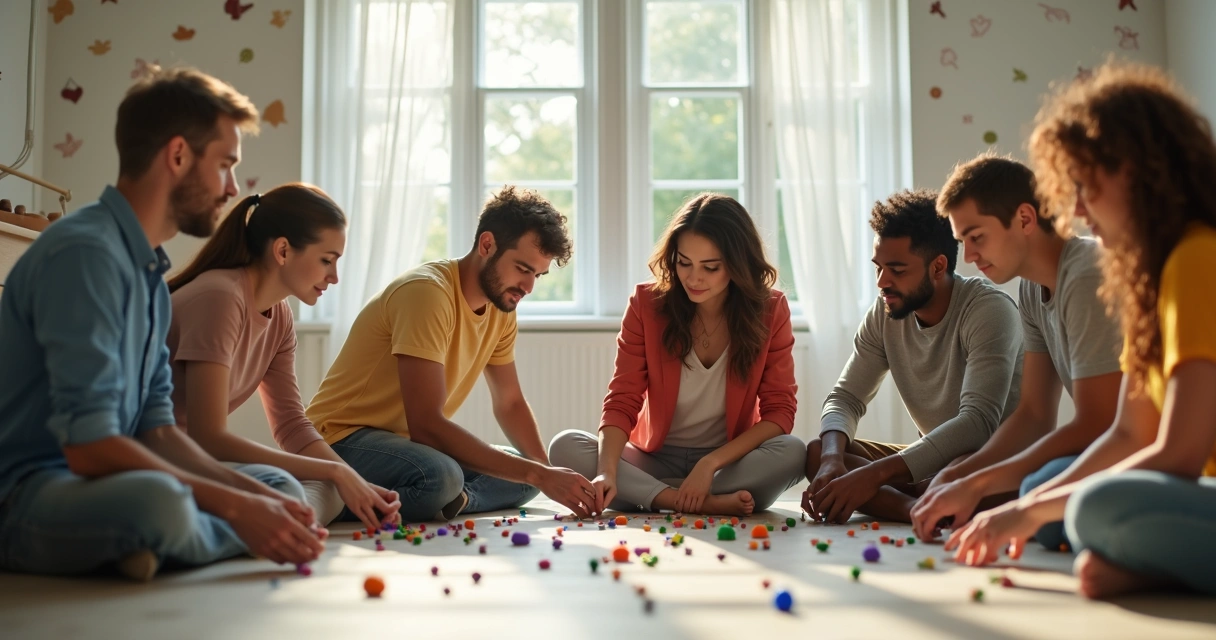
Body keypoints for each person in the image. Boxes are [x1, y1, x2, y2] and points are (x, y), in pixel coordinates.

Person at [0, 67, 323, 581]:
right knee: (162, 504)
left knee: (277, 486)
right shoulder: (85, 254)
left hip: (113, 478)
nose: (234, 187)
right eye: (225, 164)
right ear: (177, 156)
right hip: (31, 491)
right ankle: (163, 535)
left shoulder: (149, 273)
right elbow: (88, 447)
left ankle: (148, 547)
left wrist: (259, 499)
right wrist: (237, 508)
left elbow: (159, 432)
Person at [948, 62, 1216, 598]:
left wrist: (1025, 511)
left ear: (1139, 171)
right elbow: (1128, 433)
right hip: (1192, 492)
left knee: (1092, 505)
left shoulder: (1196, 257)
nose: (1076, 210)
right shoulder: (1149, 284)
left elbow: (1180, 452)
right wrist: (1028, 506)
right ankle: (1157, 566)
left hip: (1198, 484)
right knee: (1058, 497)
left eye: (1087, 186)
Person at [307, 186, 596, 522]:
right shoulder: (427, 294)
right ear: (487, 245)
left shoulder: (502, 309)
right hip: (341, 439)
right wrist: (540, 475)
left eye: (538, 275)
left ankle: (454, 500)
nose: (529, 287)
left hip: (409, 450)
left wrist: (544, 472)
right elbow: (426, 425)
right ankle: (336, 494)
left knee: (524, 472)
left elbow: (510, 402)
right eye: (522, 268)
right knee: (441, 475)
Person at [910, 154, 1123, 546]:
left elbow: (1100, 422)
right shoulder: (1028, 287)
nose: (969, 258)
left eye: (977, 238)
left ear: (1025, 219)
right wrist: (961, 475)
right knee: (1021, 487)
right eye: (963, 242)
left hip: (1139, 450)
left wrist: (978, 483)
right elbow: (1035, 415)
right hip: (1107, 449)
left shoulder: (1086, 275)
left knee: (1036, 492)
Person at [548, 194, 804, 516]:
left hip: (728, 463)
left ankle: (651, 494)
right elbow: (622, 399)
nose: (694, 279)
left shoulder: (770, 310)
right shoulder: (647, 304)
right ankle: (693, 500)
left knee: (794, 452)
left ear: (738, 265)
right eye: (684, 263)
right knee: (565, 446)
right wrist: (607, 473)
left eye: (710, 267)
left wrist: (709, 464)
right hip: (654, 458)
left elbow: (780, 411)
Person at [166, 183, 402, 531]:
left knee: (331, 488)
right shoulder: (220, 297)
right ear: (283, 251)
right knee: (295, 485)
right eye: (327, 261)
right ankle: (241, 530)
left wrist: (352, 480)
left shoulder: (280, 316)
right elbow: (209, 438)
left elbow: (291, 425)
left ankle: (266, 524)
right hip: (161, 455)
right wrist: (336, 470)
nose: (334, 277)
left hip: (196, 460)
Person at [802, 189, 1024, 524]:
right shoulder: (885, 311)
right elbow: (845, 397)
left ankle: (924, 499)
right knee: (818, 452)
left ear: (938, 266)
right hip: (929, 464)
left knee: (949, 474)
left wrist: (874, 477)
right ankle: (918, 509)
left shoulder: (989, 310)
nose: (882, 282)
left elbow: (977, 423)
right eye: (878, 268)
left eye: (897, 270)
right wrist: (834, 458)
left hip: (986, 459)